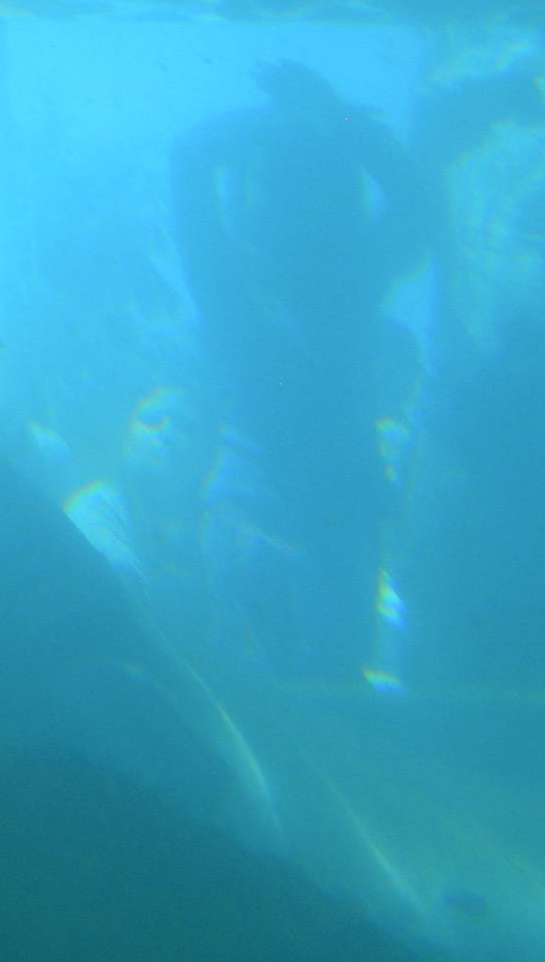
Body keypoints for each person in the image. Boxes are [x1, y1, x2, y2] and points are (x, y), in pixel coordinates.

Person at [171, 61, 433, 679]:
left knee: (268, 706)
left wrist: (275, 123)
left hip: (259, 507)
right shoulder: (358, 278)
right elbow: (418, 205)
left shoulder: (233, 286)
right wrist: (335, 120)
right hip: (337, 510)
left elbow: (189, 157)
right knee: (337, 697)